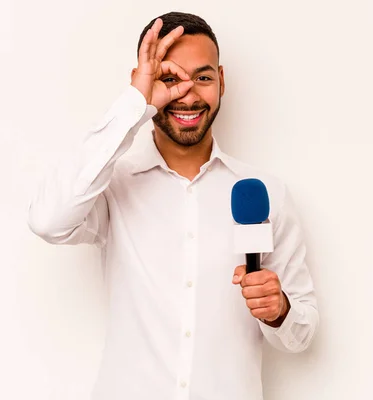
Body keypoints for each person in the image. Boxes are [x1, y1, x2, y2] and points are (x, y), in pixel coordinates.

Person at [28, 11, 319, 400]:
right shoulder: (111, 187)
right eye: (169, 79)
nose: (188, 94)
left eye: (203, 77)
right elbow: (48, 221)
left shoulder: (264, 193)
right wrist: (135, 104)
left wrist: (279, 309)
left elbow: (302, 334)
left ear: (222, 81)